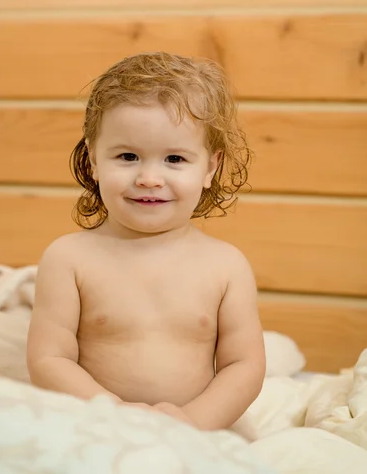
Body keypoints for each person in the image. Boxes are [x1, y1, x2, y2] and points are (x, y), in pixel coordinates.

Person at [26, 52, 266, 430]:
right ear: (92, 160)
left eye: (174, 158)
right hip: (94, 427)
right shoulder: (69, 259)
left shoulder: (226, 265)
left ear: (210, 167)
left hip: (198, 433)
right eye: (128, 156)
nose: (150, 178)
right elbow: (48, 360)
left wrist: (192, 423)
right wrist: (113, 413)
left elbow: (244, 366)